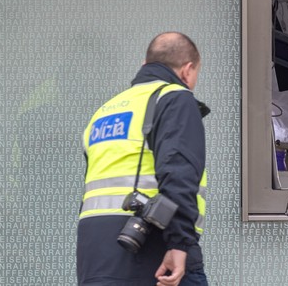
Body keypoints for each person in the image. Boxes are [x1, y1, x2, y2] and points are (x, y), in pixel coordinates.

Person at [77, 32, 209, 286]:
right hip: (152, 249)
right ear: (188, 70)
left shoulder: (105, 111)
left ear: (144, 65)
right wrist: (179, 244)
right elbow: (178, 172)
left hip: (95, 253)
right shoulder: (173, 98)